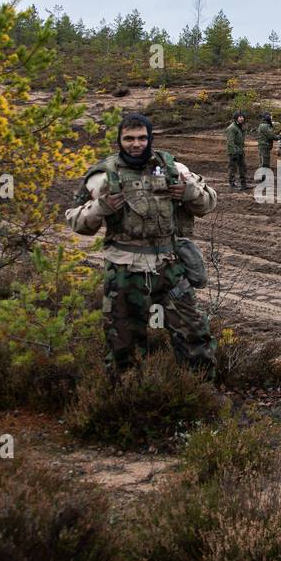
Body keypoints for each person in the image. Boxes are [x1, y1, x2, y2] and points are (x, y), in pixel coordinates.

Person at [67, 112, 218, 379]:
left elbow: (208, 204)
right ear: (119, 140)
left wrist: (190, 193)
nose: (136, 144)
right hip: (125, 271)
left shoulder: (173, 168)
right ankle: (127, 398)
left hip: (169, 267)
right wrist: (100, 208)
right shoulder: (103, 176)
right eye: (129, 138)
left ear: (149, 139)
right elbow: (77, 222)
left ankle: (200, 393)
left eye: (141, 138)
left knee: (195, 334)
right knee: (123, 343)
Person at [225, 111, 249, 190]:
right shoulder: (232, 128)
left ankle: (243, 184)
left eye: (242, 117)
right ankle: (232, 184)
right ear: (236, 118)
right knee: (233, 168)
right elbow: (230, 142)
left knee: (243, 167)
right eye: (240, 117)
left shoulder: (240, 127)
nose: (242, 118)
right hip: (234, 152)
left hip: (240, 151)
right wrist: (233, 152)